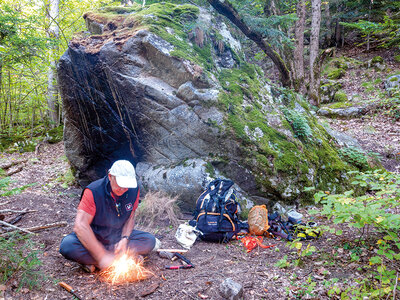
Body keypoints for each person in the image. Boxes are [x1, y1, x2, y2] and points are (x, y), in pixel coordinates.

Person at [59, 160, 156, 272]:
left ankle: (96, 262)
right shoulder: (94, 191)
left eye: (126, 186)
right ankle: (113, 259)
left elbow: (130, 217)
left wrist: (125, 238)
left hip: (116, 237)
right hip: (94, 236)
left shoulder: (133, 190)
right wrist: (101, 255)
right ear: (110, 177)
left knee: (149, 241)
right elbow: (80, 226)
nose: (123, 189)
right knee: (68, 245)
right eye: (120, 184)